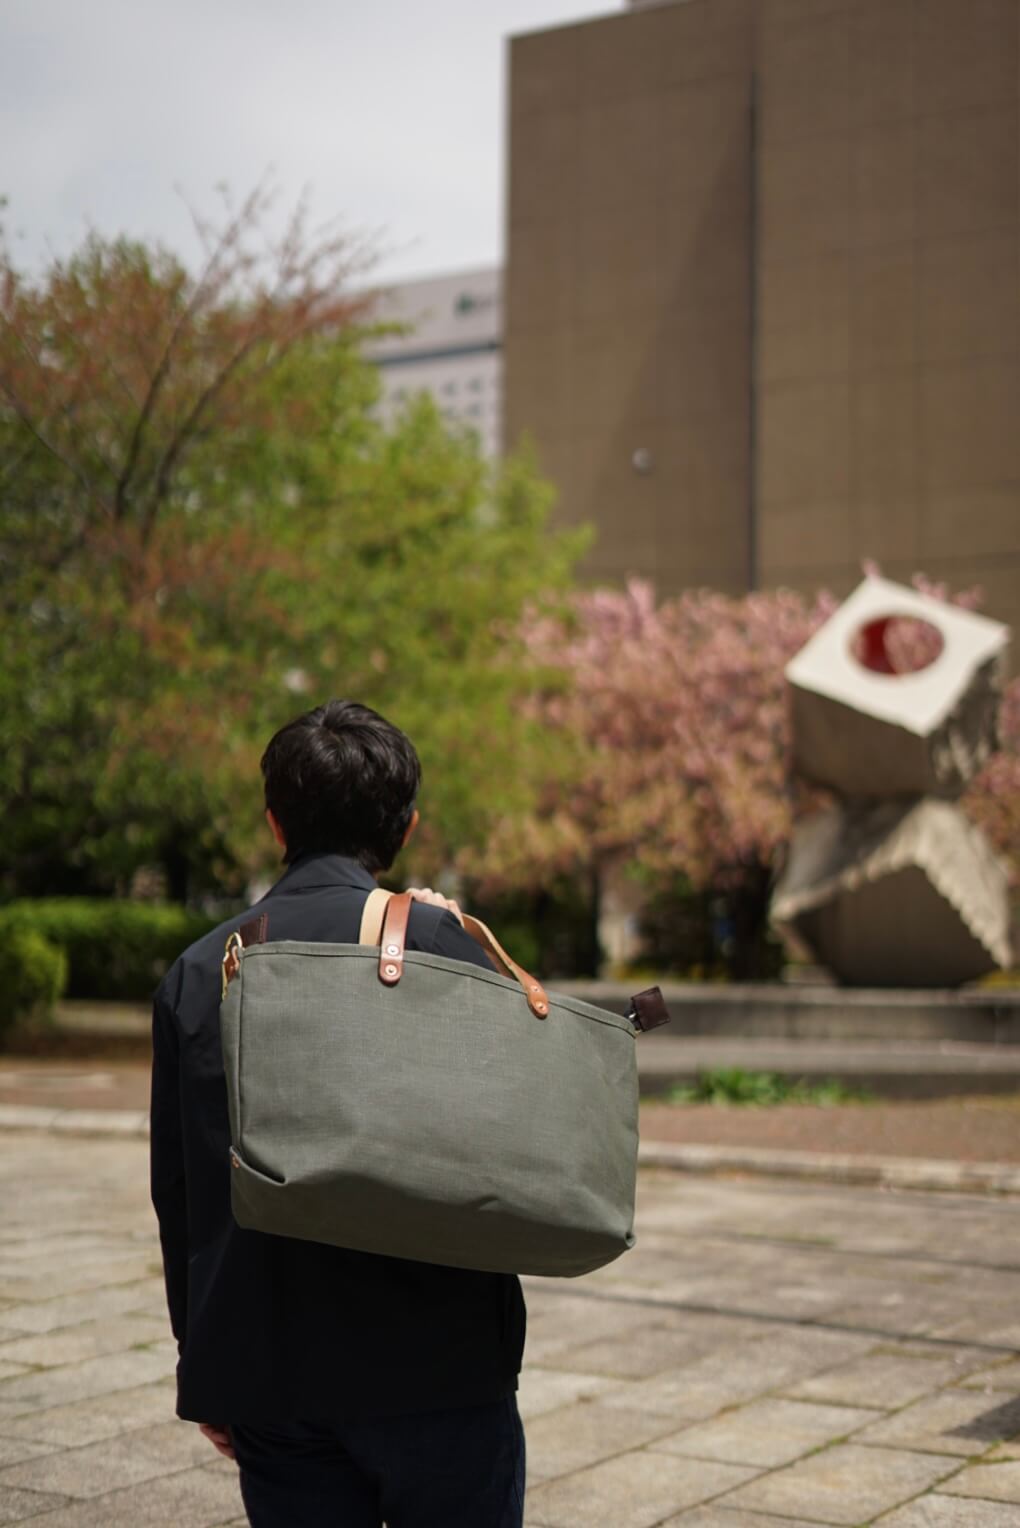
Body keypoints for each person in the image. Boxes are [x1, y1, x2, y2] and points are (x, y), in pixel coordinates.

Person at [150, 700, 527, 1527]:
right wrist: (453, 938)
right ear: (406, 826)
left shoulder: (198, 969)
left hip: (272, 1373)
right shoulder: (441, 946)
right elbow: (512, 1135)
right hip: (441, 1367)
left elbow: (181, 1195)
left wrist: (208, 1365)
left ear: (275, 821)